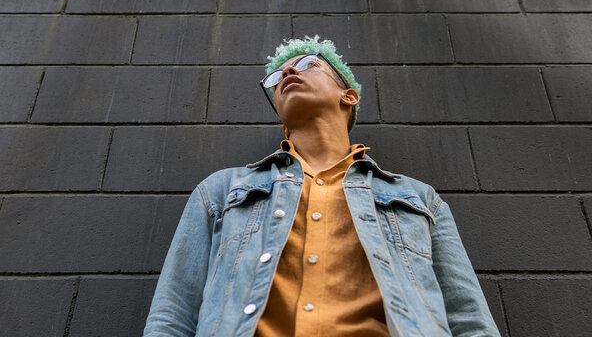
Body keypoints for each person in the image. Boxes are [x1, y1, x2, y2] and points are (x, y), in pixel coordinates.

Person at [143, 35, 501, 337]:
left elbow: (469, 319)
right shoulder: (220, 191)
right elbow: (173, 315)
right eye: (279, 75)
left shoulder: (420, 199)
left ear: (349, 97)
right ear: (282, 120)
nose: (288, 72)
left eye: (309, 64)